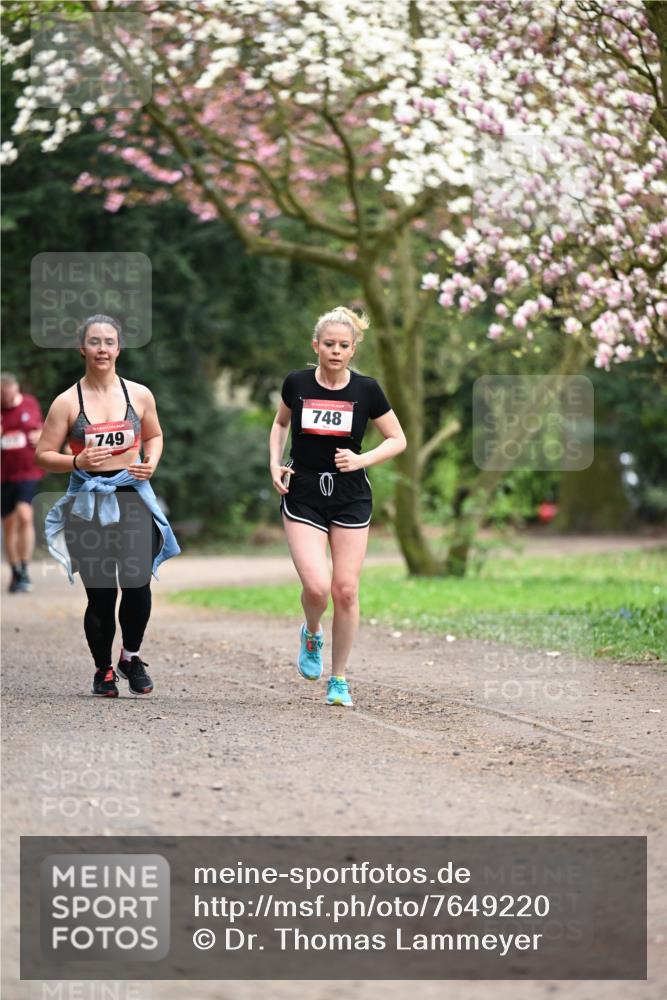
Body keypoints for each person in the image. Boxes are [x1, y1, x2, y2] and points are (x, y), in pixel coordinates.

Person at [36, 315, 180, 698]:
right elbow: (44, 454)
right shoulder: (67, 402)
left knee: (138, 583)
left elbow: (155, 434)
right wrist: (76, 463)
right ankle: (103, 670)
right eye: (94, 342)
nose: (102, 349)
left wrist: (152, 461)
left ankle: (130, 657)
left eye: (109, 342)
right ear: (82, 349)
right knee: (100, 593)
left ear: (119, 348)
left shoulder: (139, 395)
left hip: (131, 495)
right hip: (88, 503)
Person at [269, 306, 406, 707]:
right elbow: (280, 425)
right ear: (316, 345)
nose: (335, 351)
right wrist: (274, 464)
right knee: (316, 587)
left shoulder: (367, 390)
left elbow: (397, 439)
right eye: (328, 344)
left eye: (343, 345)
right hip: (304, 492)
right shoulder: (296, 383)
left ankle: (339, 678)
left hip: (350, 495)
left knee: (345, 590)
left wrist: (362, 460)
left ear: (352, 350)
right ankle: (312, 632)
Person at [1, 372, 45, 593]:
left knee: (25, 515)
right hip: (3, 475)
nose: (8, 401)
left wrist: (41, 435)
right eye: (3, 397)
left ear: (16, 389)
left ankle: (25, 568)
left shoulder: (30, 403)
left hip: (28, 471)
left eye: (10, 395)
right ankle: (16, 571)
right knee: (9, 525)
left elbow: (43, 429)